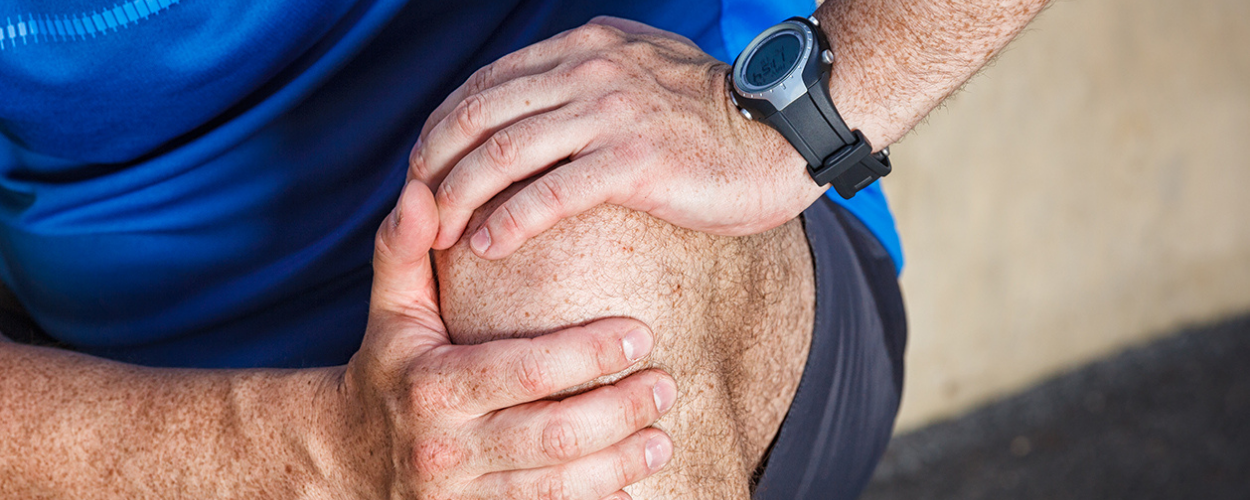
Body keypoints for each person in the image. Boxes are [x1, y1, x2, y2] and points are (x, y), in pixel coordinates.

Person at [0, 0, 1047, 498]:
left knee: (561, 285)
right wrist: (317, 445)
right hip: (144, 410)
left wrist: (807, 110)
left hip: (678, 277)